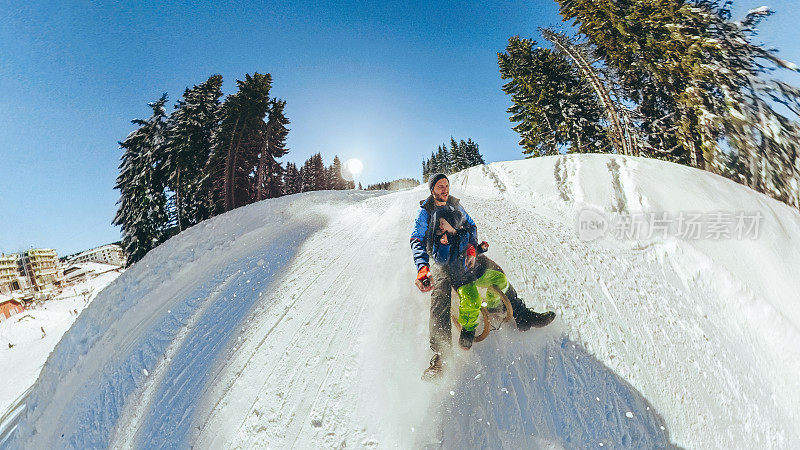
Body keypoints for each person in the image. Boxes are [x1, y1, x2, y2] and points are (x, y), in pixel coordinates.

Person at [410, 173, 555, 380]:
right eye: (440, 186)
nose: (444, 189)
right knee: (440, 294)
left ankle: (521, 315)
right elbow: (416, 239)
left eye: (446, 185)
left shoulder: (455, 206)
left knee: (496, 272)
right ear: (432, 189)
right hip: (441, 259)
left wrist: (471, 247)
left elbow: (471, 226)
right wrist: (422, 267)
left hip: (463, 253)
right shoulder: (425, 212)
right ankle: (440, 355)